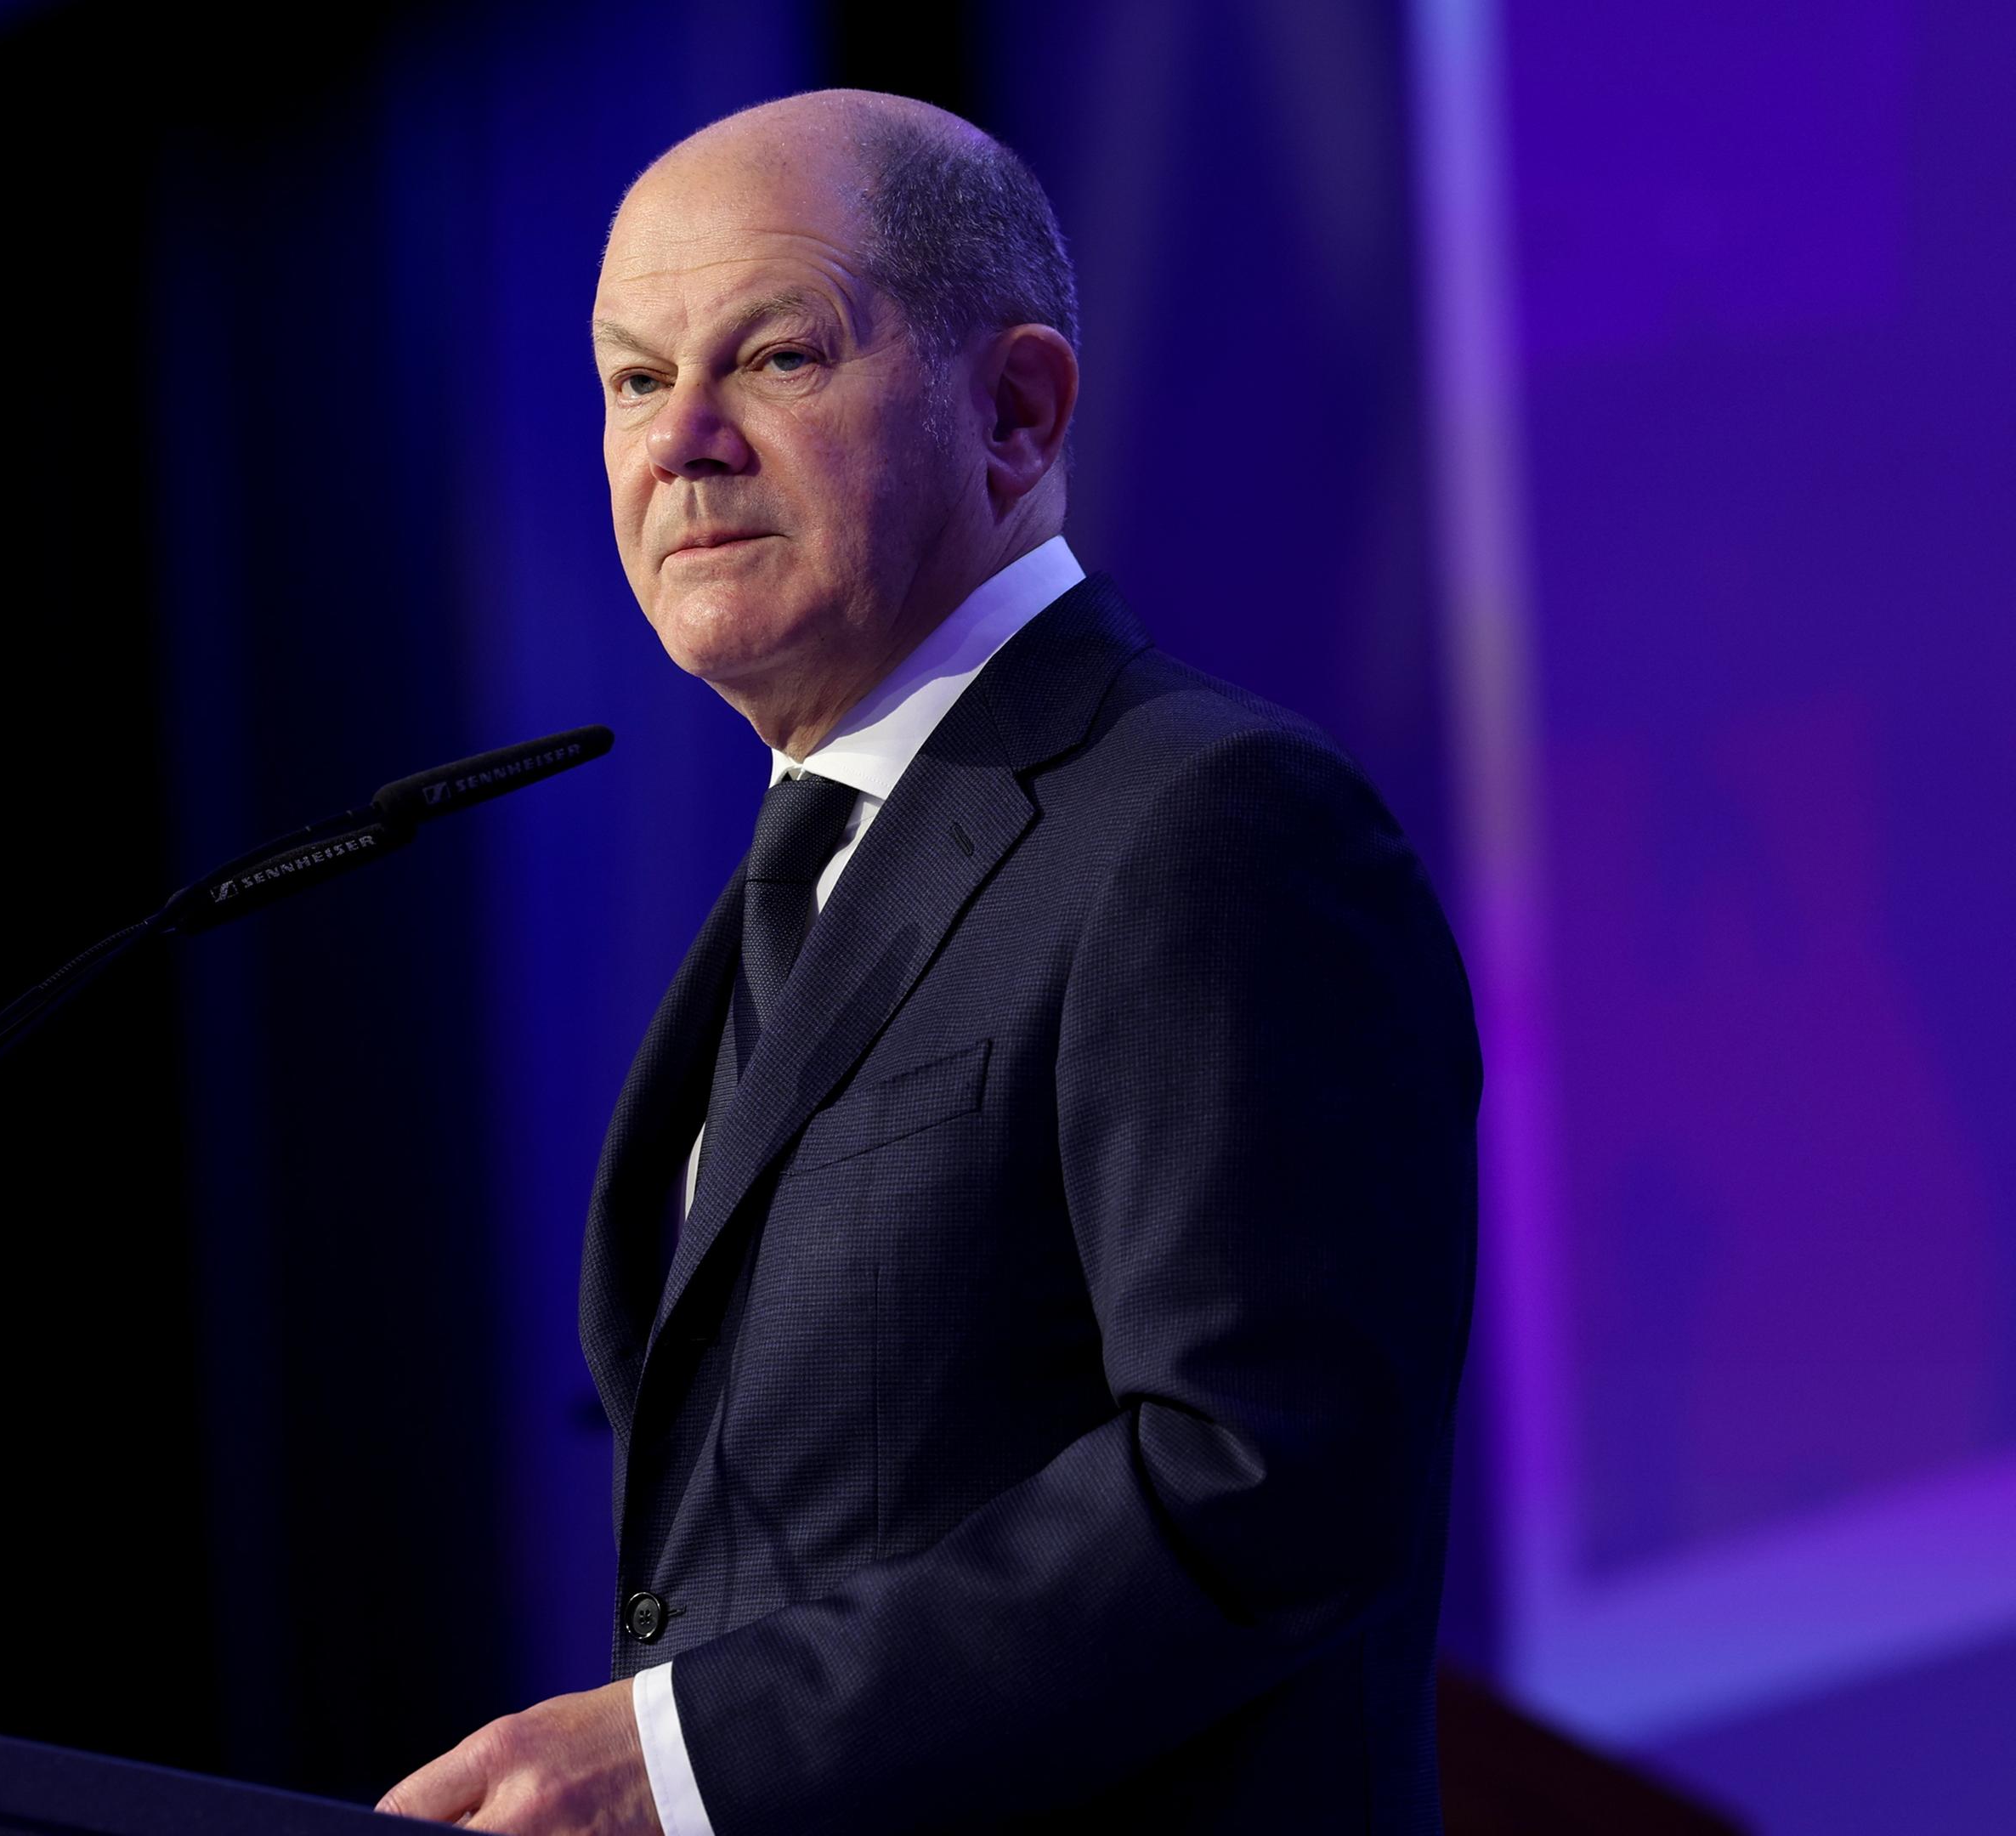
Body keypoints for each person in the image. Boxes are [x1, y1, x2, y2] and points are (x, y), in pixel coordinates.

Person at [377, 90, 1479, 1833]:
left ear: (1015, 411)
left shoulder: (1207, 824)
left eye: (779, 358)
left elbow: (1261, 1478)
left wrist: (684, 1762)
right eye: (637, 381)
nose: (683, 444)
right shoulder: (804, 883)